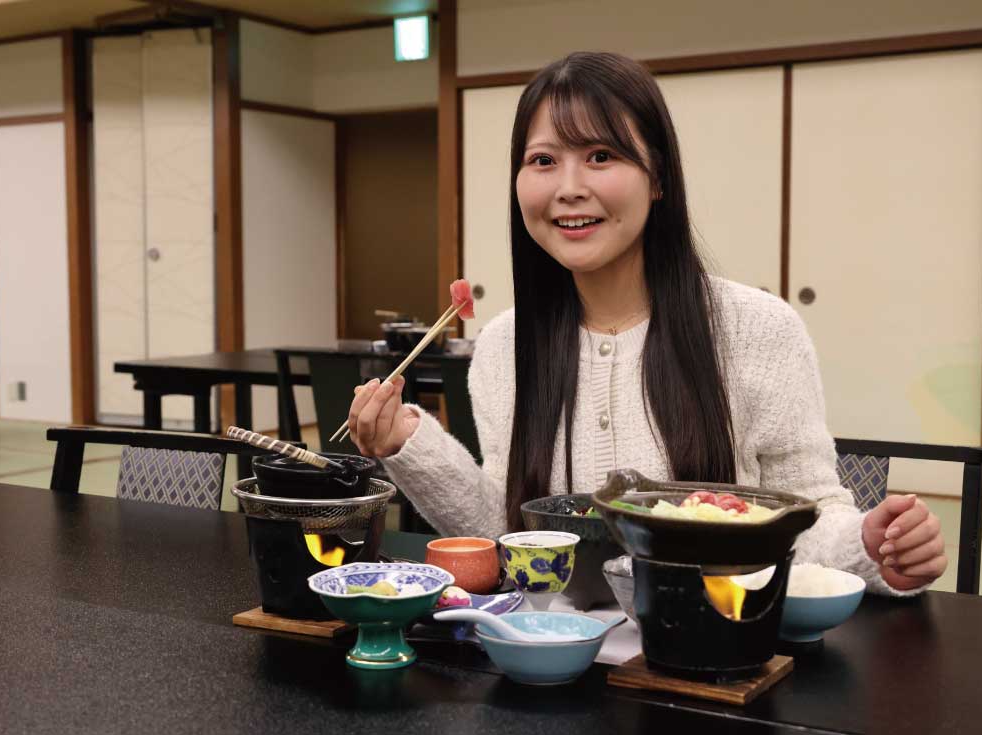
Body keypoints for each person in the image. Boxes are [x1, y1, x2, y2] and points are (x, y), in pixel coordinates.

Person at [346, 51, 946, 595]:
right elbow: (511, 531)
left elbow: (807, 515)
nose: (570, 188)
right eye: (544, 160)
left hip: (715, 655)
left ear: (657, 177)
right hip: (558, 667)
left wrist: (873, 546)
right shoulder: (506, 345)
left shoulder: (758, 331)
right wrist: (407, 443)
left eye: (601, 156)